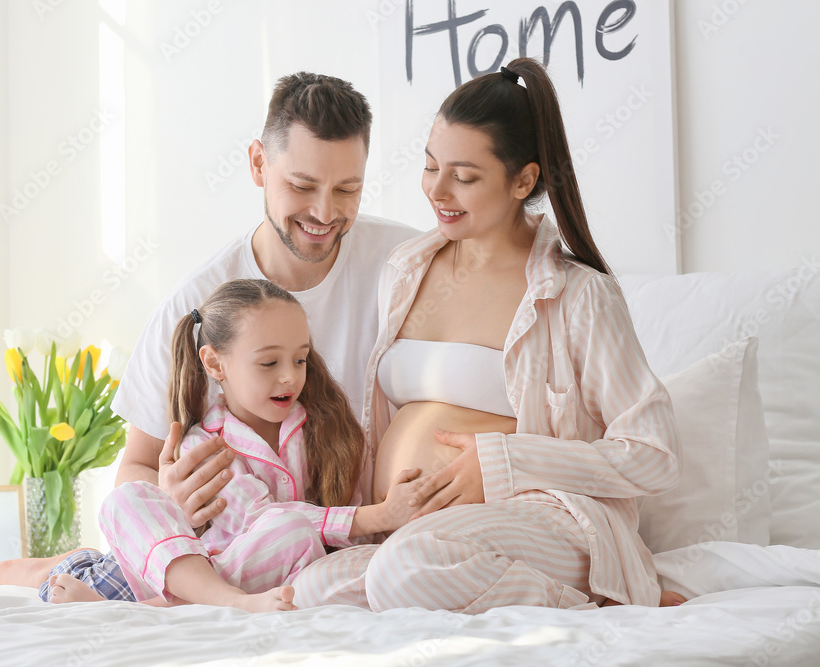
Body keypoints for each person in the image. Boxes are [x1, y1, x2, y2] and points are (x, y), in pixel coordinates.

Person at [0, 72, 417, 590]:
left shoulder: (404, 264)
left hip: (319, 553)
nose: (324, 212)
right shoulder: (197, 303)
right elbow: (134, 469)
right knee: (133, 555)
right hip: (223, 542)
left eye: (348, 189)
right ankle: (61, 567)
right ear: (258, 163)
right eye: (301, 186)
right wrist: (171, 498)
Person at [290, 58, 684, 613]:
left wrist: (505, 462)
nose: (438, 190)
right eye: (431, 167)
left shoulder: (577, 295)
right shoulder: (406, 269)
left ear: (523, 179)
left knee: (407, 569)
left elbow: (654, 453)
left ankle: (602, 604)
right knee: (312, 591)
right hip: (423, 533)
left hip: (547, 520)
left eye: (466, 177)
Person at [42, 279, 421, 611]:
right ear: (215, 364)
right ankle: (43, 569)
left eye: (300, 359)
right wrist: (381, 514)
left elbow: (315, 530)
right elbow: (258, 518)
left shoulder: (329, 428)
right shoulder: (205, 445)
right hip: (176, 571)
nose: (290, 376)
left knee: (293, 532)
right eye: (269, 363)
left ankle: (146, 611)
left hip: (253, 568)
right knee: (127, 499)